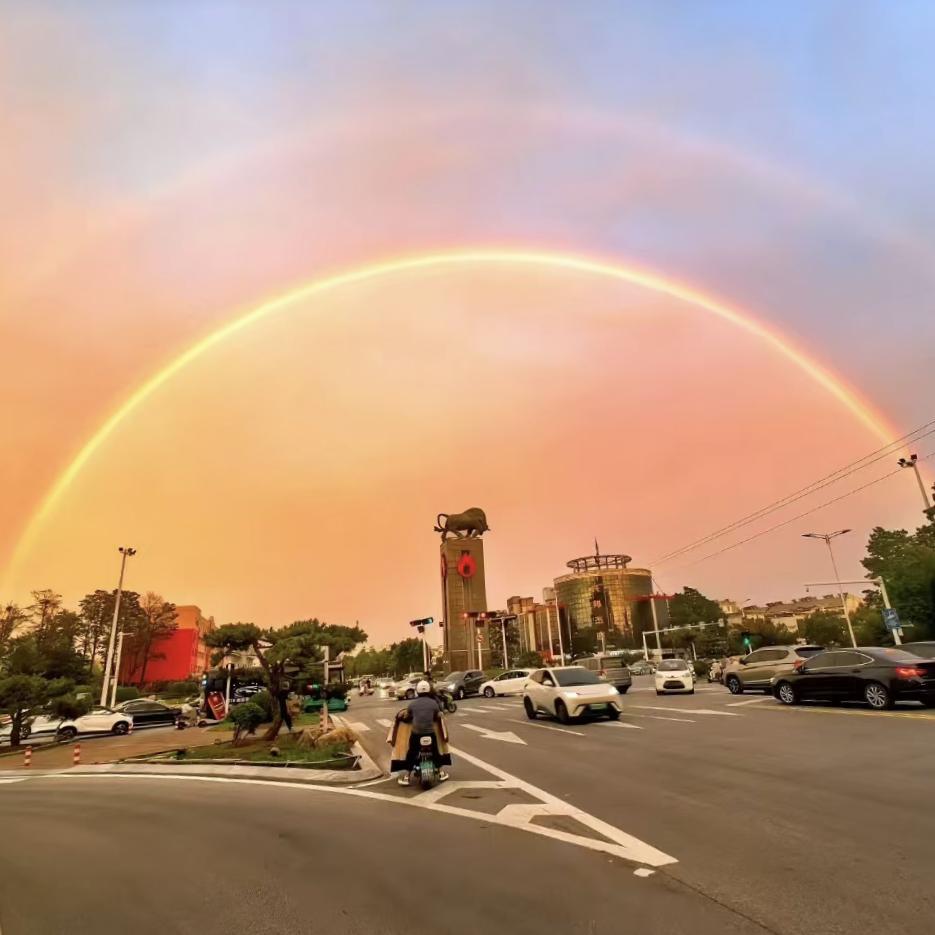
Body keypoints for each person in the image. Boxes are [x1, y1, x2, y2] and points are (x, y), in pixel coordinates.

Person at [388, 679, 451, 786]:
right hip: (430, 733)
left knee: (411, 753)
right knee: (435, 752)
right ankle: (440, 772)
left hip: (416, 734)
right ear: (428, 690)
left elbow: (407, 716)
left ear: (417, 691)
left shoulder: (412, 704)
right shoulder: (434, 703)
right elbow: (438, 715)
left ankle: (407, 777)